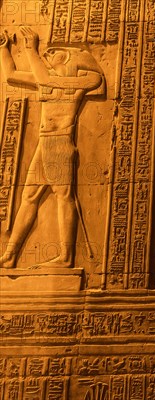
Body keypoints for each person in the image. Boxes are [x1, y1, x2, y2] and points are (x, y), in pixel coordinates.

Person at [0, 27, 104, 269]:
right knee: (28, 197)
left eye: (54, 51)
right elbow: (11, 75)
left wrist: (30, 50)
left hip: (59, 142)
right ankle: (10, 254)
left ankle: (66, 257)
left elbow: (46, 79)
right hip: (44, 142)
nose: (48, 53)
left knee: (63, 195)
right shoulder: (46, 78)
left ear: (71, 57)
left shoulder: (84, 79)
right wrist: (4, 48)